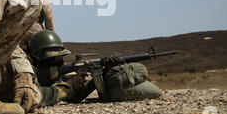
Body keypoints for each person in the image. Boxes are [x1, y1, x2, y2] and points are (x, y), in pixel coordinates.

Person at [26, 30, 162, 107]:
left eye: (60, 58)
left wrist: (103, 71)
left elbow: (74, 98)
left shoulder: (58, 76)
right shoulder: (28, 73)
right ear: (36, 59)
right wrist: (68, 85)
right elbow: (37, 96)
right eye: (53, 59)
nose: (59, 63)